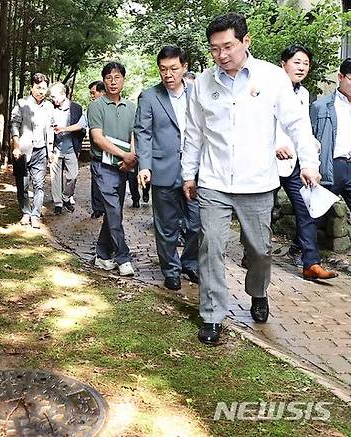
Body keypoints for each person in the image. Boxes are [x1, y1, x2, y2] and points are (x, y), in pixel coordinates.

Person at [181, 13, 321, 345]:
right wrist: (189, 174)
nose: (221, 55)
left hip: (257, 183)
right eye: (214, 49)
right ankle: (212, 316)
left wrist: (310, 162)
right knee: (210, 246)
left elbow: (298, 124)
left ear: (246, 42)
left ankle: (258, 291)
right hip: (214, 181)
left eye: (228, 46)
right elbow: (194, 134)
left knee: (259, 249)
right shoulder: (202, 83)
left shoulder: (273, 78)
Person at [135, 46, 200, 291]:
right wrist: (145, 166)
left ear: (184, 67)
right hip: (163, 170)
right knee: (166, 225)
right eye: (163, 69)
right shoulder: (150, 96)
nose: (168, 74)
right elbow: (143, 133)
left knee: (197, 222)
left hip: (193, 171)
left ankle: (190, 262)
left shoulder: (197, 93)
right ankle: (171, 270)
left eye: (173, 68)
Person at [275, 45, 337, 280]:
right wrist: (274, 146)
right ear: (284, 64)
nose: (301, 67)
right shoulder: (267, 88)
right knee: (260, 212)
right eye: (296, 62)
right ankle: (252, 253)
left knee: (306, 210)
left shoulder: (303, 94)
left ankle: (311, 263)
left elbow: (300, 126)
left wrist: (311, 143)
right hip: (268, 162)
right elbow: (258, 125)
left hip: (295, 164)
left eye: (306, 64)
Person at [88, 62, 138, 276]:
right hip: (103, 166)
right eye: (108, 77)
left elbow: (135, 135)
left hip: (123, 167)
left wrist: (132, 158)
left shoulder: (131, 107)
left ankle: (101, 255)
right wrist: (123, 155)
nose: (113, 81)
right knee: (114, 211)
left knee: (112, 213)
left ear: (123, 80)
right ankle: (122, 256)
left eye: (117, 77)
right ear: (104, 81)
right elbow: (97, 138)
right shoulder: (96, 106)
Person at [11, 73, 54, 229]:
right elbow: (14, 125)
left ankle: (35, 214)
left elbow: (50, 129)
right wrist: (16, 146)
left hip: (41, 150)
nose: (41, 91)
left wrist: (51, 151)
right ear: (32, 87)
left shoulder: (49, 107)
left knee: (39, 185)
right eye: (38, 88)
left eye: (44, 88)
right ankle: (26, 212)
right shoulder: (22, 104)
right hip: (23, 150)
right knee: (22, 183)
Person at [311, 58, 351, 218]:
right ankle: (301, 244)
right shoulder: (321, 106)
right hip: (331, 166)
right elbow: (310, 139)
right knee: (315, 216)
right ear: (340, 77)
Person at [48, 82, 86, 214]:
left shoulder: (76, 108)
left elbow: (82, 130)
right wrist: (49, 149)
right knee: (55, 178)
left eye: (54, 96)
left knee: (73, 176)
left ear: (63, 94)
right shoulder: (50, 108)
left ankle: (66, 197)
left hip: (71, 148)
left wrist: (79, 149)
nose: (52, 99)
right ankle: (58, 203)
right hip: (55, 149)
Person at [89, 80, 106, 218]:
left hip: (112, 154)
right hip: (97, 154)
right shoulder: (92, 108)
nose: (92, 96)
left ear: (102, 92)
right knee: (96, 183)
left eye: (94, 93)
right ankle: (97, 208)